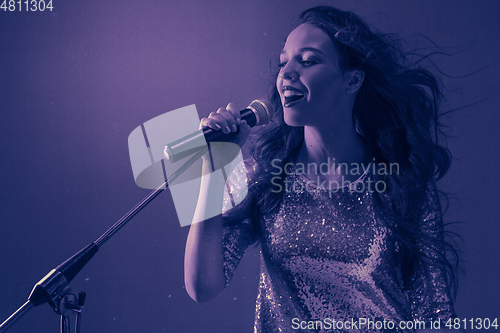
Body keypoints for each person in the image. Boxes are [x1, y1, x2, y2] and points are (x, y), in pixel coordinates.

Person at [184, 6, 462, 333]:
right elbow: (202, 286)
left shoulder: (400, 182)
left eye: (308, 60)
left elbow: (435, 316)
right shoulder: (262, 176)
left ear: (352, 80)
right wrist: (213, 172)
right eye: (283, 61)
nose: (286, 73)